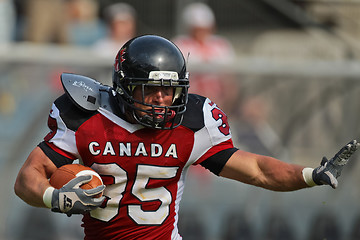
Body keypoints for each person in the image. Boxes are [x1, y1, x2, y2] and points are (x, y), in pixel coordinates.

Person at [14, 35, 359, 240]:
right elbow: (28, 177)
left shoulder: (192, 123)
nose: (162, 100)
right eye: (151, 89)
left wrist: (310, 175)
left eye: (170, 90)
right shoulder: (87, 115)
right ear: (124, 86)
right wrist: (54, 199)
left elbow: (256, 169)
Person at [173, 2, 237, 114]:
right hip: (190, 101)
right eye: (198, 29)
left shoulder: (221, 45)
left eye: (205, 29)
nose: (202, 33)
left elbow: (230, 81)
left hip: (218, 100)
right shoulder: (180, 44)